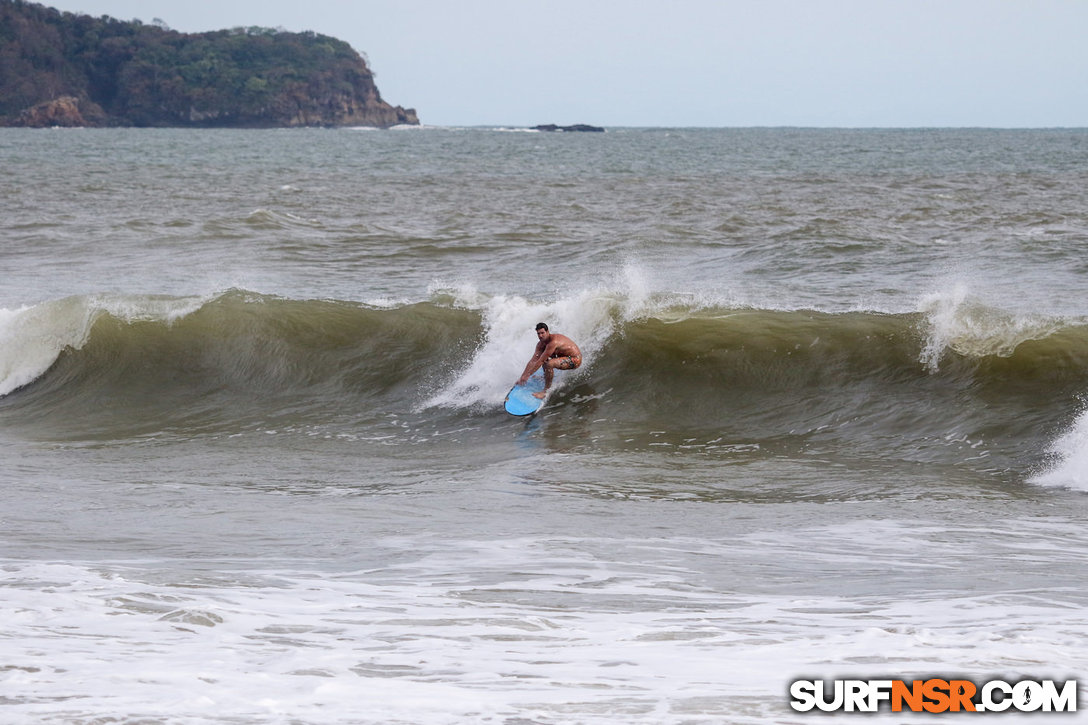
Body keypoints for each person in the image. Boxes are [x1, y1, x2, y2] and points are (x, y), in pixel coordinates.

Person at [517, 322, 582, 398]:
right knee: (545, 360)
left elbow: (540, 361)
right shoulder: (540, 345)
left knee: (549, 364)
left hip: (575, 359)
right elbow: (533, 361)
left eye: (542, 333)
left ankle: (545, 391)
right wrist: (523, 376)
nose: (540, 336)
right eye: (538, 334)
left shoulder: (553, 342)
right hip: (563, 357)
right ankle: (546, 377)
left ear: (547, 332)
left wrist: (528, 375)